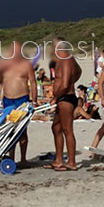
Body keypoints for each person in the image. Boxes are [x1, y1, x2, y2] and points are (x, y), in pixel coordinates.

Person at [0, 41, 38, 166]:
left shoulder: (26, 65)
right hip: (7, 100)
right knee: (9, 129)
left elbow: (33, 82)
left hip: (22, 99)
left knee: (22, 130)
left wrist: (34, 100)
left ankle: (23, 158)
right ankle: (11, 157)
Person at [44, 38, 81, 171]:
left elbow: (65, 84)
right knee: (56, 127)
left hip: (65, 98)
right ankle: (59, 160)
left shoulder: (66, 61)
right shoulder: (65, 60)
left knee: (67, 130)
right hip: (63, 97)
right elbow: (79, 71)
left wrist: (55, 97)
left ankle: (71, 162)